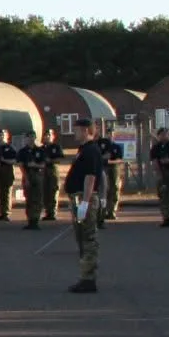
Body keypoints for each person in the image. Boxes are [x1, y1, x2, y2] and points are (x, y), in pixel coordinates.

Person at [64, 120, 106, 294]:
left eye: (77, 130)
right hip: (78, 197)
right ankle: (85, 275)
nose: (74, 133)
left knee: (88, 238)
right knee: (81, 238)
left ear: (86, 131)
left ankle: (88, 278)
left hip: (84, 197)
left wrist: (85, 202)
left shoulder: (91, 150)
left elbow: (91, 177)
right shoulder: (83, 149)